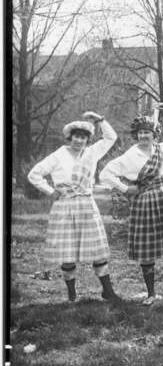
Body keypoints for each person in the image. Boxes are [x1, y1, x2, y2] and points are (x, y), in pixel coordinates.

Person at [99, 103, 163, 305]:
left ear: (154, 134)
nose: (144, 136)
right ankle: (151, 293)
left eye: (147, 133)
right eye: (140, 133)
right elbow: (105, 174)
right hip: (144, 202)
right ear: (136, 135)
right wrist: (125, 188)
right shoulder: (130, 156)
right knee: (147, 249)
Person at [28, 112, 120, 303]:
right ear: (70, 138)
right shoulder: (58, 155)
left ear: (87, 140)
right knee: (67, 251)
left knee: (97, 249)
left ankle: (108, 291)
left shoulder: (92, 152)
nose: (79, 140)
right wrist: (50, 192)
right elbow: (34, 174)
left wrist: (100, 119)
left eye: (84, 137)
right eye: (76, 137)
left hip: (86, 204)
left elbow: (111, 137)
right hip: (65, 206)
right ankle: (71, 294)